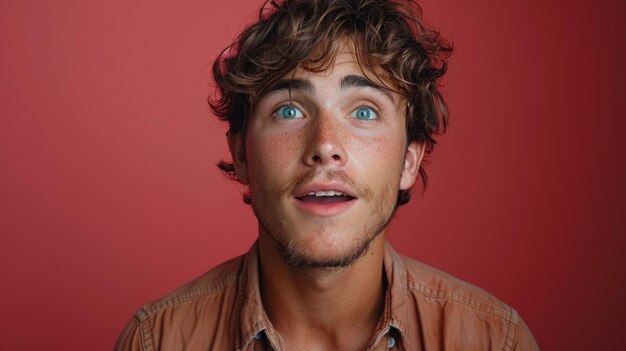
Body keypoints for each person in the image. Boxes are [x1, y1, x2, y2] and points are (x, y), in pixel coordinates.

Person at [115, 0, 539, 349]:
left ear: (409, 162)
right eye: (289, 110)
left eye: (364, 111)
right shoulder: (157, 341)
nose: (325, 145)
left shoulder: (495, 340)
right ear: (241, 153)